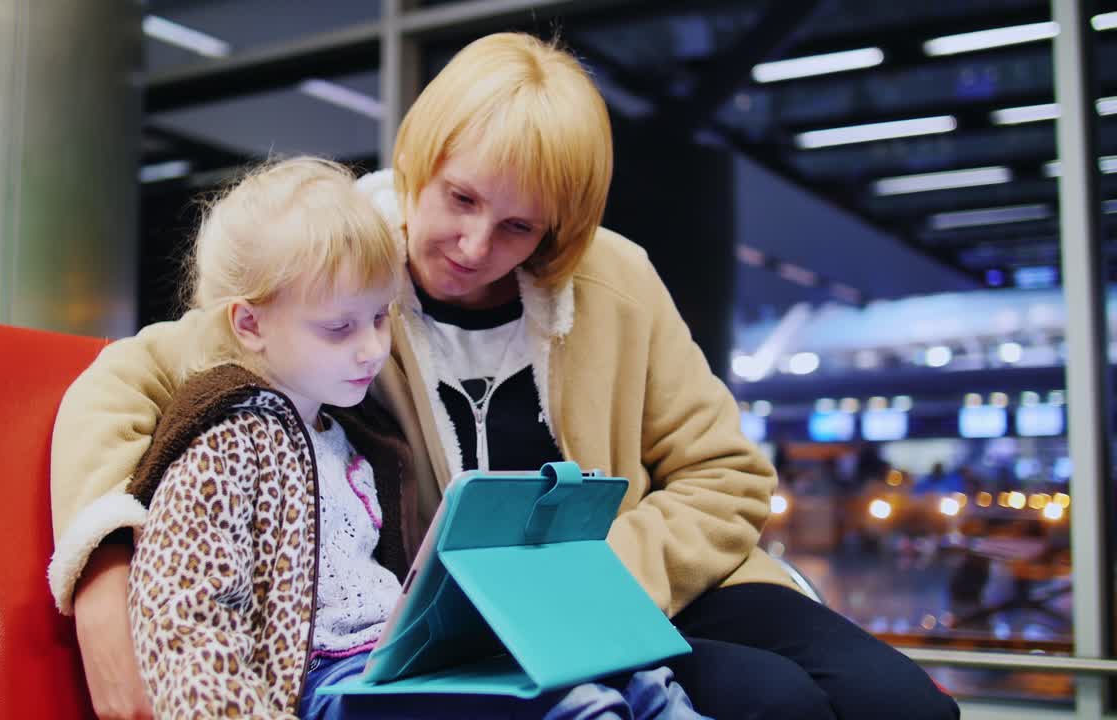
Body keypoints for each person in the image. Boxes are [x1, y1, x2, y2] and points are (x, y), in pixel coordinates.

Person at [49, 33, 957, 720]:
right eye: (460, 199)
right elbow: (120, 384)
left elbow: (728, 476)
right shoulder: (342, 275)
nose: (477, 249)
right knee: (772, 705)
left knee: (908, 705)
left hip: (646, 590)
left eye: (521, 228)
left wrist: (594, 579)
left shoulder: (614, 280)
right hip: (474, 636)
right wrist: (104, 575)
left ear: (560, 231)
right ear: (419, 163)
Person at [113, 156, 704, 719]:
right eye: (339, 327)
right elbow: (184, 615)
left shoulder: (350, 433)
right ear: (250, 324)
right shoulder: (226, 437)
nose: (372, 348)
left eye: (378, 318)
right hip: (322, 681)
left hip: (396, 661)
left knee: (640, 677)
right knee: (572, 708)